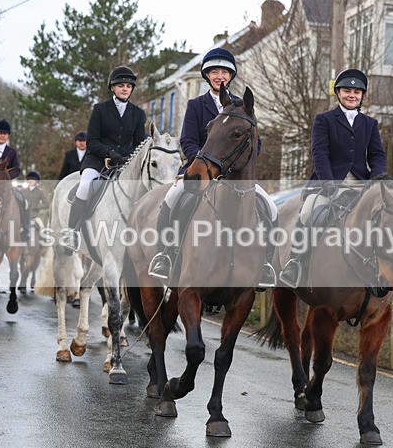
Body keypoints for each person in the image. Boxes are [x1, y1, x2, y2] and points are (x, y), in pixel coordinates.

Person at [147, 48, 278, 289]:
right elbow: (187, 139)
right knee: (172, 198)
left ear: (231, 76)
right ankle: (164, 254)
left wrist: (237, 165)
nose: (220, 76)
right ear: (207, 75)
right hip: (202, 169)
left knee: (269, 206)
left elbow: (255, 143)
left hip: (236, 177)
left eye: (225, 72)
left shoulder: (243, 106)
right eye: (214, 72)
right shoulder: (197, 105)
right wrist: (207, 164)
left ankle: (266, 265)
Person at [279, 68, 387, 288]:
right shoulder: (324, 120)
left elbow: (377, 155)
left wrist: (377, 178)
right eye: (347, 90)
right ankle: (295, 262)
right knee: (309, 212)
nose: (351, 95)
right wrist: (327, 180)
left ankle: (390, 269)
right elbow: (319, 153)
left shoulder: (370, 124)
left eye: (357, 92)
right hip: (327, 182)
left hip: (360, 184)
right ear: (338, 93)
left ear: (362, 96)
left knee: (386, 217)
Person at [60, 66, 146, 253]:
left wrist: (129, 158)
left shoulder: (138, 114)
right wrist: (109, 153)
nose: (125, 89)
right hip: (98, 162)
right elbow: (92, 141)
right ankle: (71, 233)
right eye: (121, 85)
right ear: (112, 88)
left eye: (129, 86)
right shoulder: (100, 109)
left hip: (125, 165)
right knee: (84, 186)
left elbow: (140, 143)